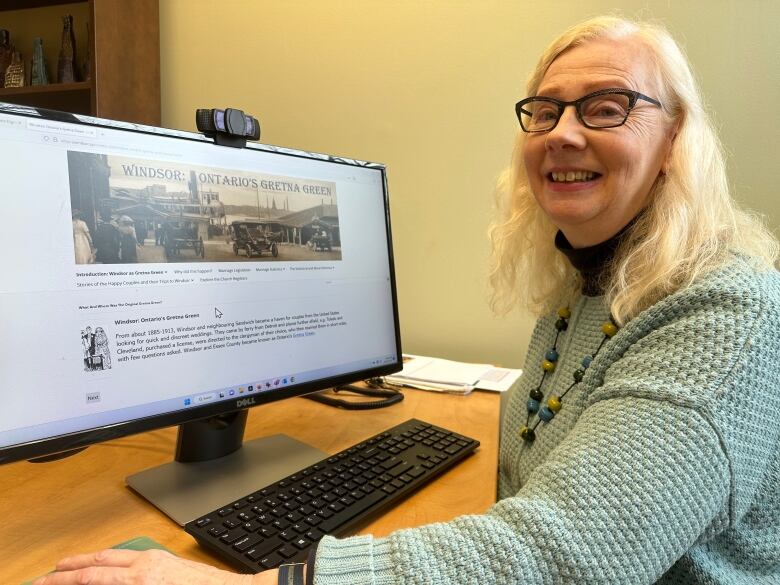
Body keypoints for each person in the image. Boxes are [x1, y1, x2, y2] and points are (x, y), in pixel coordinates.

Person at [34, 15, 780, 585]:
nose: (563, 133)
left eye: (606, 107)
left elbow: (574, 553)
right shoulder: (589, 282)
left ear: (676, 138)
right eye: (545, 111)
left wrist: (281, 577)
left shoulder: (726, 310)